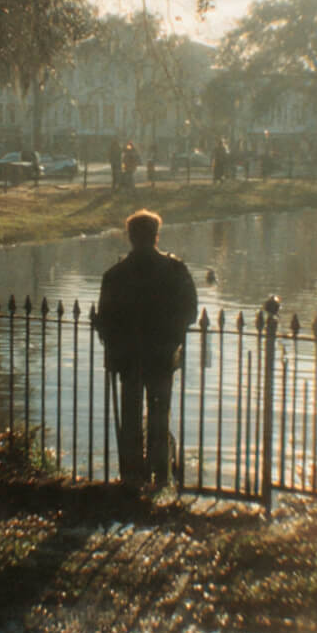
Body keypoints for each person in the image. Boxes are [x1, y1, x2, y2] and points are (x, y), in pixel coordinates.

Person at [96, 209, 199, 489]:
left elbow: (105, 318)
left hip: (128, 357)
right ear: (156, 236)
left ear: (130, 237)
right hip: (162, 355)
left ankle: (132, 475)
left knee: (130, 415)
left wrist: (111, 342)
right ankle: (160, 474)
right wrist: (173, 336)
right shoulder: (176, 270)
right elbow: (190, 311)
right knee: (159, 413)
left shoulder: (115, 274)